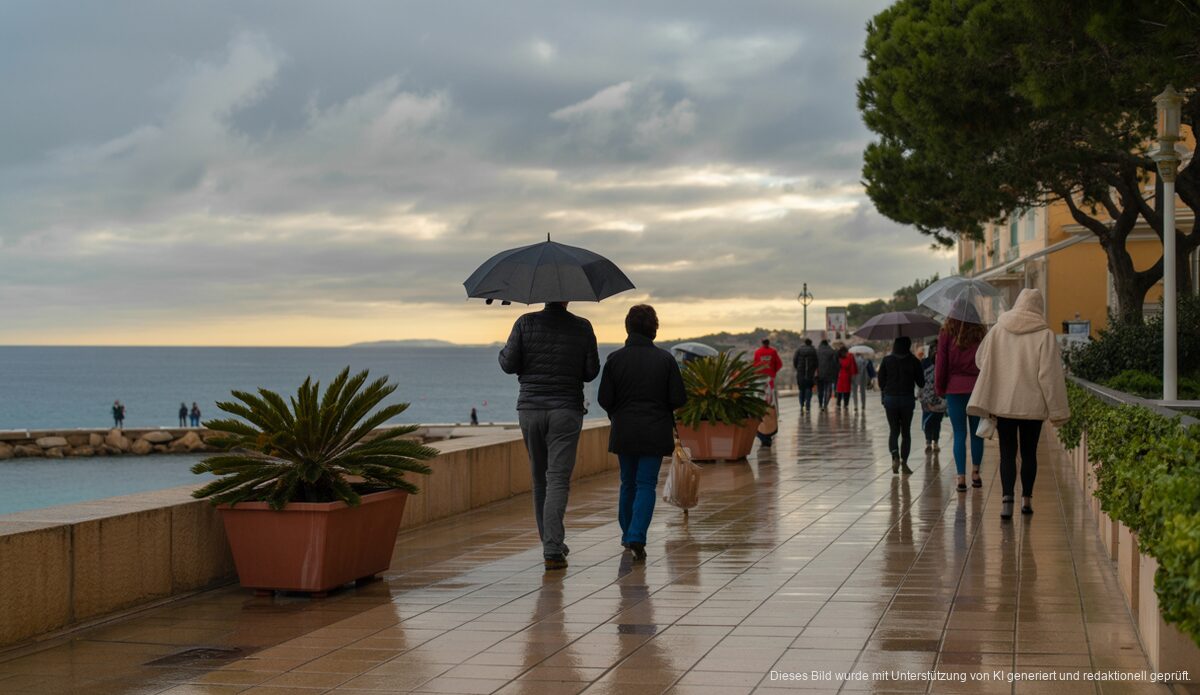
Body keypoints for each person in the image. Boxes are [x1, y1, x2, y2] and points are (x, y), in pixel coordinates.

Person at [500, 301, 600, 570]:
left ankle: (551, 543)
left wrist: (503, 352)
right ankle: (553, 546)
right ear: (568, 298)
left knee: (539, 478)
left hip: (531, 409)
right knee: (557, 479)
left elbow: (509, 365)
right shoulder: (582, 326)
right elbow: (591, 372)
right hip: (566, 409)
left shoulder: (524, 322)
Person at [967, 289, 1069, 519]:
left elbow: (980, 359)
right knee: (1029, 453)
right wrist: (1058, 411)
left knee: (1007, 453)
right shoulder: (1045, 335)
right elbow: (1050, 377)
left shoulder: (998, 330)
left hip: (1004, 404)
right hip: (1032, 406)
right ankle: (1027, 501)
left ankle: (1006, 502)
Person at [597, 305, 687, 561]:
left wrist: (619, 411)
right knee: (646, 483)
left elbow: (605, 398)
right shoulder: (665, 360)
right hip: (654, 431)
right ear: (654, 329)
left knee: (627, 483)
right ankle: (637, 534)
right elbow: (678, 397)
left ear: (628, 328)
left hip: (624, 430)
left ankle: (627, 534)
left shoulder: (615, 359)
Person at [936, 307, 988, 492]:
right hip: (977, 388)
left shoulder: (946, 332)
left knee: (959, 433)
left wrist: (940, 388)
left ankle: (961, 478)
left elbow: (941, 362)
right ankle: (975, 473)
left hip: (954, 388)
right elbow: (987, 361)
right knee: (976, 433)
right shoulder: (980, 332)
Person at [877, 336, 924, 475]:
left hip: (890, 399)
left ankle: (895, 455)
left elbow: (880, 383)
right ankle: (904, 463)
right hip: (907, 399)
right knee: (906, 432)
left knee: (893, 430)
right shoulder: (914, 361)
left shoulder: (886, 360)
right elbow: (921, 383)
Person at [919, 339, 946, 455]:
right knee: (932, 420)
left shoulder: (927, 362)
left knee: (932, 420)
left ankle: (932, 441)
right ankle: (931, 441)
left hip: (933, 397)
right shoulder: (928, 362)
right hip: (933, 396)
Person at [792, 339, 819, 413]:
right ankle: (808, 405)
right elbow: (817, 362)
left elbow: (795, 360)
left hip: (800, 372)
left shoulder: (799, 350)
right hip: (810, 373)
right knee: (808, 388)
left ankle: (801, 405)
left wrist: (797, 368)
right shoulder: (814, 351)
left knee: (801, 389)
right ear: (811, 343)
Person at [816, 339, 838, 411]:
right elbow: (836, 364)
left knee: (820, 390)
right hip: (830, 374)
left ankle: (820, 404)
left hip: (819, 374)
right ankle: (825, 404)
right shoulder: (832, 351)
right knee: (828, 389)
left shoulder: (817, 351)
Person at [834, 346, 858, 410]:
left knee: (841, 390)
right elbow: (852, 366)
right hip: (846, 375)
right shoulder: (850, 357)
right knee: (845, 391)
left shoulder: (840, 358)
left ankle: (839, 404)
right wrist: (853, 374)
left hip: (842, 375)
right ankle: (845, 404)